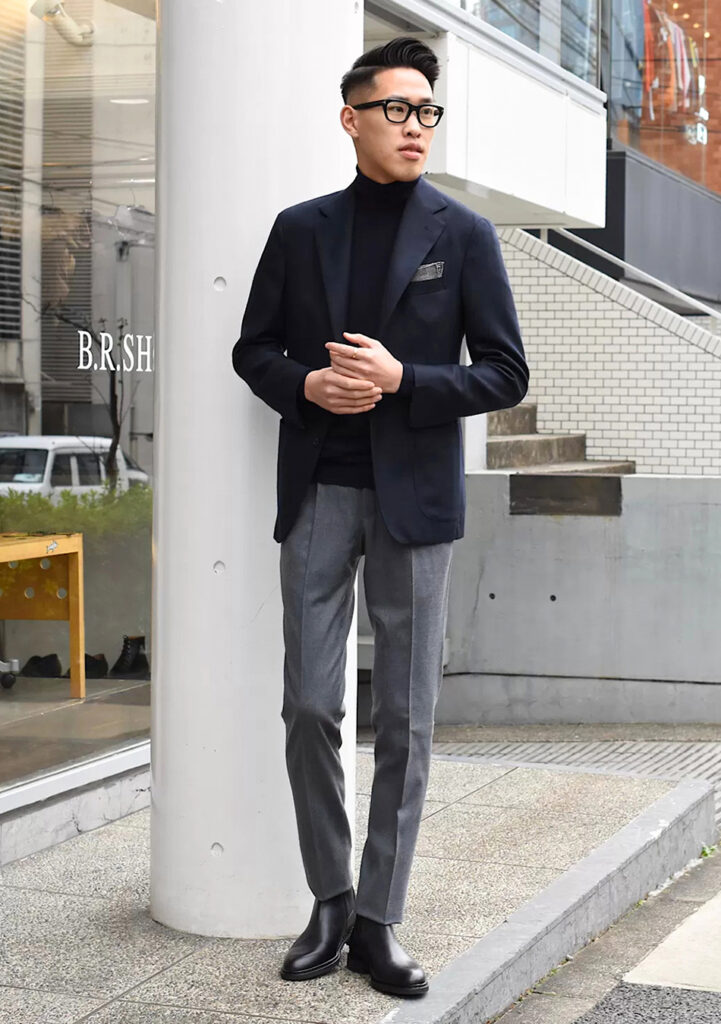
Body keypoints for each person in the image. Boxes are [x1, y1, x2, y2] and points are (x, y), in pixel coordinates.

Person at [232, 36, 529, 999]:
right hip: (321, 484)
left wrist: (406, 381)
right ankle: (328, 896)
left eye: (427, 112)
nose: (415, 127)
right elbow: (253, 350)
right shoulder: (300, 227)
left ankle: (377, 919)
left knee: (405, 717)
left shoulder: (464, 234)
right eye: (396, 109)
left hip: (417, 501)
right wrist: (306, 384)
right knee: (310, 703)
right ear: (351, 116)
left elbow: (504, 373)